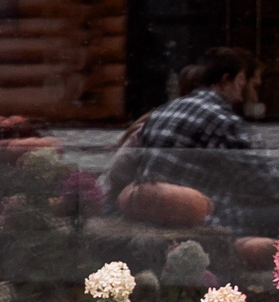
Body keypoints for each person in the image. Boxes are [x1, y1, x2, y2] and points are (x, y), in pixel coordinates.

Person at [104, 45, 262, 201]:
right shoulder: (221, 122)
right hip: (186, 207)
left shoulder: (161, 114)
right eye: (242, 81)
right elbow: (262, 181)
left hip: (150, 204)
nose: (247, 92)